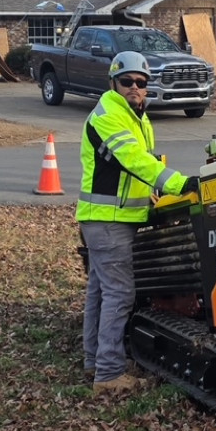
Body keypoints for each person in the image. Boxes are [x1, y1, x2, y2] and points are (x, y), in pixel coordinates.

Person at [77, 51, 198, 394]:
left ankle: (94, 362)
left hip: (113, 218)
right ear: (113, 83)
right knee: (120, 292)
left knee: (100, 293)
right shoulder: (109, 116)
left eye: (141, 83)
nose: (135, 87)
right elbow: (132, 159)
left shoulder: (137, 117)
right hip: (107, 221)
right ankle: (109, 374)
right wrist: (178, 184)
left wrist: (151, 195)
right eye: (127, 81)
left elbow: (132, 168)